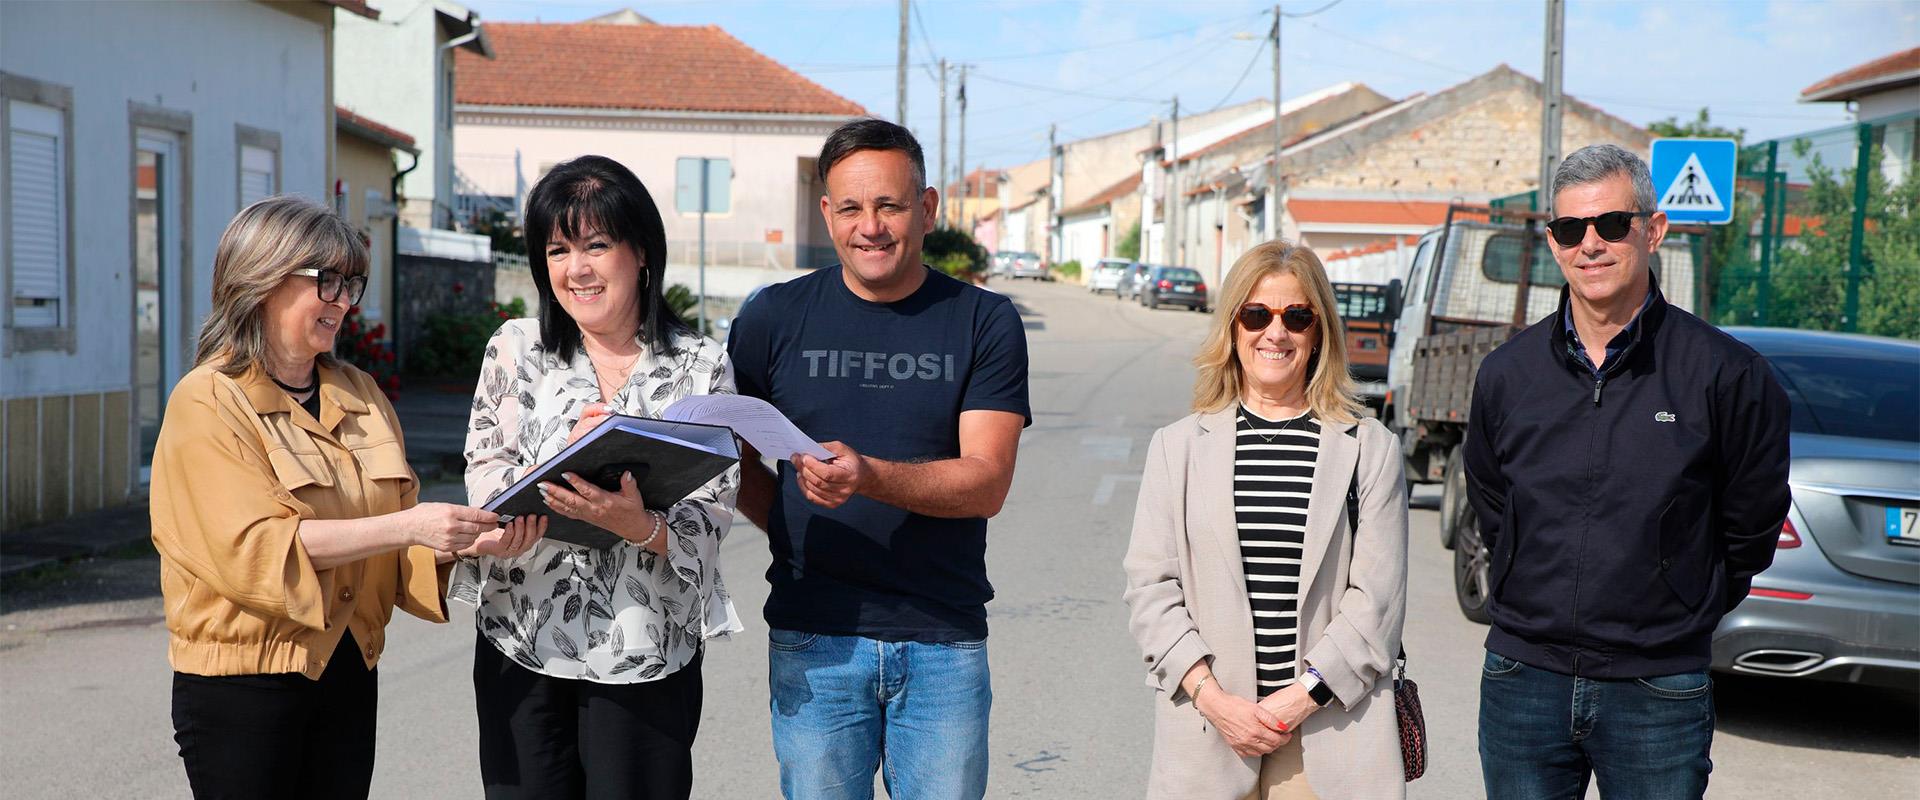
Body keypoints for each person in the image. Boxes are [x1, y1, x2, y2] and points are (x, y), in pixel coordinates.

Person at [152, 196, 528, 799]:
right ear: (261, 279)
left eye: (351, 285)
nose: (344, 302)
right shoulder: (208, 401)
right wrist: (410, 527)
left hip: (349, 667)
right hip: (245, 681)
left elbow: (395, 537)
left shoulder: (360, 393)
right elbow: (257, 548)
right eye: (327, 281)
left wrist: (465, 543)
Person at [1465, 144, 1791, 799]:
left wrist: (1681, 600)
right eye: (1570, 229)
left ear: (1653, 230)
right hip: (1524, 678)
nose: (1590, 244)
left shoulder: (1726, 374)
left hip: (1657, 686)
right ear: (1553, 243)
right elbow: (1494, 505)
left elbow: (1751, 522)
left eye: (1612, 224)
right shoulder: (1507, 374)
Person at [726, 118, 1030, 799]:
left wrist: (869, 478)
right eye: (851, 208)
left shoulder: (984, 321)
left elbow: (987, 482)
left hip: (943, 639)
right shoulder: (772, 317)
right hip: (814, 636)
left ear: (927, 209)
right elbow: (731, 454)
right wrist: (792, 522)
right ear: (827, 213)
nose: (871, 227)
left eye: (889, 205)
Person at [457, 155, 742, 799]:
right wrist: (540, 483)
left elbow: (713, 509)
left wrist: (640, 526)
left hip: (645, 647)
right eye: (557, 250)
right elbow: (486, 466)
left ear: (640, 252)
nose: (576, 268)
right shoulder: (515, 347)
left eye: (596, 245)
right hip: (522, 635)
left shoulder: (701, 366)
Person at [1123, 240, 1409, 800]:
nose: (1275, 333)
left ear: (1319, 331)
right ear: (1232, 327)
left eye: (1296, 316)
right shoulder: (1177, 447)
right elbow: (1151, 590)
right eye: (1256, 315)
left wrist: (1301, 698)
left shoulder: (1369, 448)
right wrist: (1214, 700)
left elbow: (1378, 601)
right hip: (1209, 730)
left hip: (1327, 730)